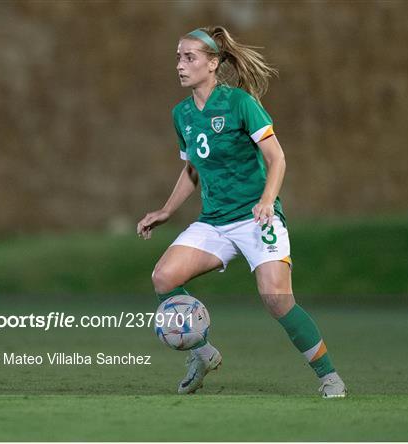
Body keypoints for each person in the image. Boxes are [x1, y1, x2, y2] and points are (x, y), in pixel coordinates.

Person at [136, 26, 346, 398]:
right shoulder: (182, 114)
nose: (180, 65)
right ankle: (202, 354)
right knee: (164, 277)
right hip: (215, 223)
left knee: (277, 299)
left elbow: (276, 157)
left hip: (256, 219)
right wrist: (167, 210)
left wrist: (267, 200)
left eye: (190, 58)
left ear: (213, 63)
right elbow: (193, 169)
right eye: (178, 57)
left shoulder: (240, 103)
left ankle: (329, 376)